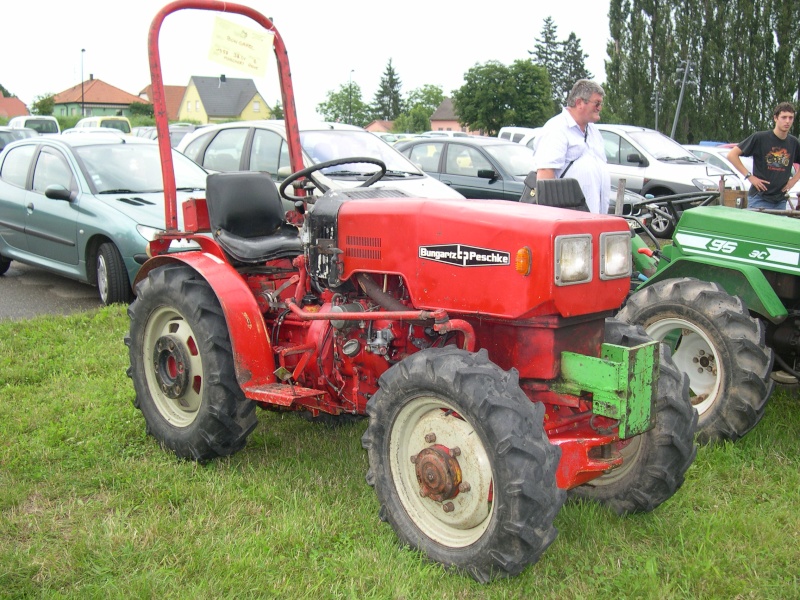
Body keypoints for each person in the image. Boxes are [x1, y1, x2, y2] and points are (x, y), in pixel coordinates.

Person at [533, 79, 610, 214]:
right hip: (569, 220)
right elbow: (545, 175)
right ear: (579, 102)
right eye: (597, 103)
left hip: (595, 219)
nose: (600, 108)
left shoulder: (593, 131)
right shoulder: (556, 129)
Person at [727, 102, 800, 210]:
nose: (787, 121)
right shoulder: (760, 138)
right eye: (784, 117)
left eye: (791, 118)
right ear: (775, 118)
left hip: (780, 200)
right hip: (759, 198)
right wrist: (750, 177)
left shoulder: (793, 142)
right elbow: (732, 155)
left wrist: (793, 181)